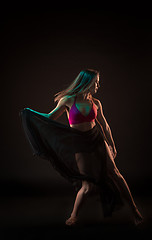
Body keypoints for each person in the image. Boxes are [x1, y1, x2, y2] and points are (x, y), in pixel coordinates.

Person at [19, 69, 143, 226]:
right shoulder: (68, 100)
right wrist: (30, 113)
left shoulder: (96, 103)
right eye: (96, 82)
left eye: (98, 82)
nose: (98, 85)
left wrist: (111, 143)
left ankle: (135, 211)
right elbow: (49, 117)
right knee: (87, 185)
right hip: (79, 143)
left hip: (96, 139)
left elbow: (104, 125)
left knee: (116, 174)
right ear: (87, 82)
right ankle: (74, 215)